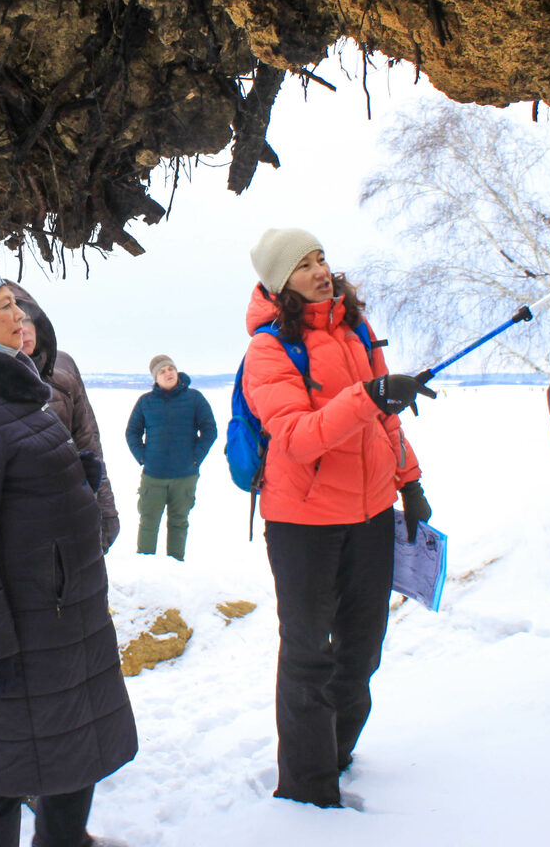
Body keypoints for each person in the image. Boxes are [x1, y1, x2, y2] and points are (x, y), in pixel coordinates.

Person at [0, 267, 136, 847]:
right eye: (6, 308)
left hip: (58, 612)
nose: (22, 318)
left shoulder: (15, 392)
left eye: (22, 307)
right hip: (17, 623)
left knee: (68, 754)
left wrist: (76, 484)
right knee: (3, 769)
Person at [241, 229, 434, 809]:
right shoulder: (269, 350)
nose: (320, 271)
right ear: (281, 283)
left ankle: (337, 753)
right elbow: (298, 438)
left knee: (362, 649)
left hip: (371, 512)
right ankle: (306, 790)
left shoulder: (355, 327)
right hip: (304, 524)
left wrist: (411, 482)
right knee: (307, 654)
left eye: (321, 258)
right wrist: (371, 396)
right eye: (303, 265)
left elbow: (387, 422)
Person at [7, 284, 120, 552]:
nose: (22, 328)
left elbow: (88, 441)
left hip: (73, 507)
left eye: (27, 320)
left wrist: (105, 506)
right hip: (20, 525)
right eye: (13, 321)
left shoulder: (63, 368)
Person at [124, 355, 217, 560]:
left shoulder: (194, 399)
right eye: (162, 371)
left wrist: (195, 458)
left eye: (170, 369)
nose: (168, 373)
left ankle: (175, 567)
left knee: (178, 522)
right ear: (155, 378)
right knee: (148, 523)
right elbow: (132, 432)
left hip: (185, 476)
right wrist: (143, 457)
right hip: (154, 476)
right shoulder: (145, 402)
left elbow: (210, 431)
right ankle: (145, 569)